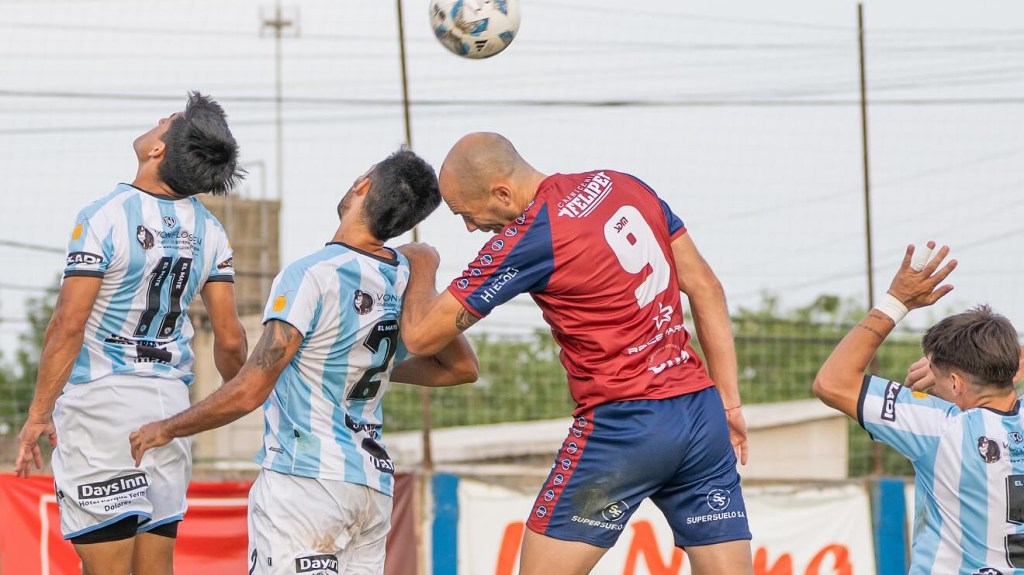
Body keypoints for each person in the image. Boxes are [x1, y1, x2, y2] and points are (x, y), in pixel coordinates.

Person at [398, 132, 752, 574]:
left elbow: (421, 337)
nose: (471, 228)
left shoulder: (533, 235)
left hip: (624, 431)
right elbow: (706, 287)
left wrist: (421, 264)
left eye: (466, 214)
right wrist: (730, 402)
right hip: (701, 417)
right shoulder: (624, 184)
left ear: (503, 193)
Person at [128, 148, 479, 575]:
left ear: (362, 184)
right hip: (371, 488)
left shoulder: (312, 273)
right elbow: (461, 368)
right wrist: (358, 362)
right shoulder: (405, 280)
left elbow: (249, 390)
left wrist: (166, 427)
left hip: (305, 482)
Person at [13, 92, 248, 575]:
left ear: (158, 151)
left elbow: (67, 325)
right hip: (169, 409)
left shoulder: (104, 215)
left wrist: (38, 414)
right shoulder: (211, 231)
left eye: (167, 121)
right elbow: (229, 342)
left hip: (102, 407)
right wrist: (240, 392)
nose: (160, 119)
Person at [814, 243, 1024, 573]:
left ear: (956, 384)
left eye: (937, 378)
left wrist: (897, 301)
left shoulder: (940, 428)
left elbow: (832, 382)